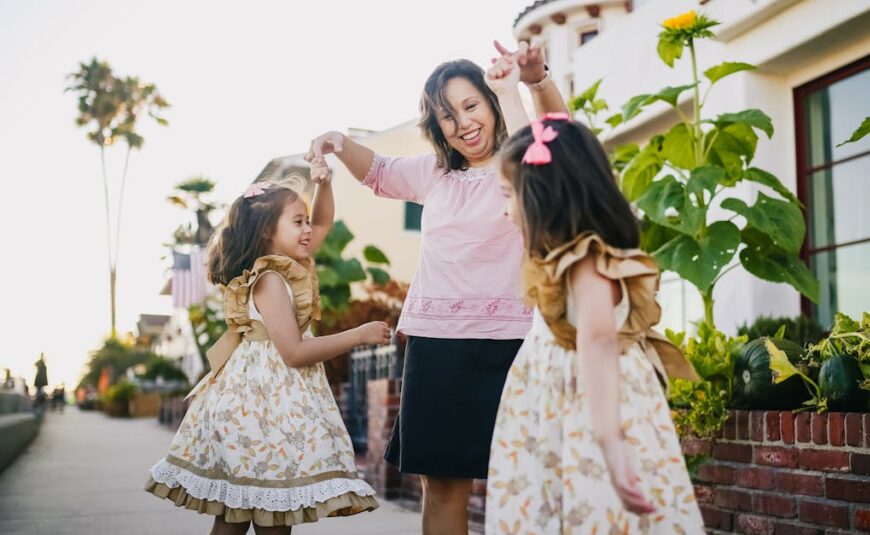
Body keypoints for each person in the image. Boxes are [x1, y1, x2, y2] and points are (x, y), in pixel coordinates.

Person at [305, 42, 566, 535]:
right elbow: (379, 173)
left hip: (515, 345)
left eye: (471, 105)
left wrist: (535, 80)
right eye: (447, 115)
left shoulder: (524, 163)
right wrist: (338, 141)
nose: (463, 123)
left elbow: (556, 135)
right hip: (437, 347)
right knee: (442, 487)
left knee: (528, 480)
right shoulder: (434, 173)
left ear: (493, 102)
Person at [485, 112, 705, 533]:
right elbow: (525, 141)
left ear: (543, 196)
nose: (505, 210)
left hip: (590, 414)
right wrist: (511, 90)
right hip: (558, 419)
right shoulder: (563, 261)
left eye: (508, 195)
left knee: (596, 511)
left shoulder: (586, 262)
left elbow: (599, 340)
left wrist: (609, 441)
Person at [145, 172, 388, 534]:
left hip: (260, 408)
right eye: (297, 222)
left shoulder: (285, 269)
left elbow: (323, 222)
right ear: (266, 231)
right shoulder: (271, 280)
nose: (308, 229)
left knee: (238, 513)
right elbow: (294, 352)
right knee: (269, 512)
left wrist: (324, 183)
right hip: (261, 414)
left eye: (306, 221)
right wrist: (358, 335)